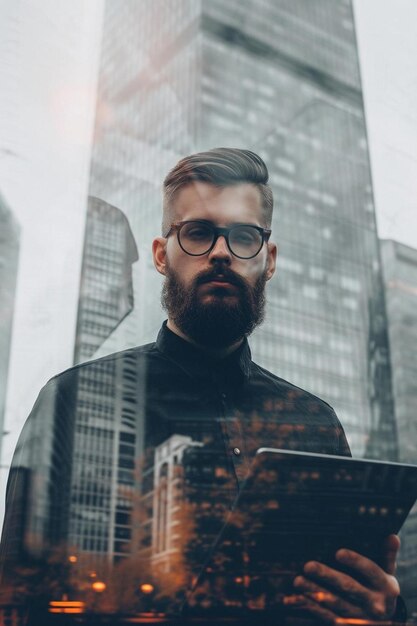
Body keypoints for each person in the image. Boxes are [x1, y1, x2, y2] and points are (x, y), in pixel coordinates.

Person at [1, 148, 403, 623]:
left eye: (244, 237)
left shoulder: (315, 423)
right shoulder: (74, 400)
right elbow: (17, 603)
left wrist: (383, 612)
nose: (219, 252)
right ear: (159, 255)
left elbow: (352, 589)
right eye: (197, 232)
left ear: (268, 259)